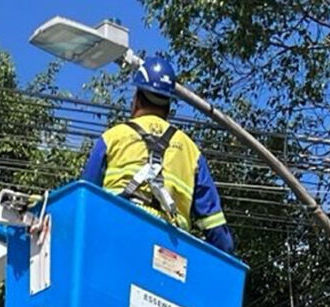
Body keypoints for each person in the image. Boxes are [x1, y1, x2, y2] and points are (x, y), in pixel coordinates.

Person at [80, 56, 234, 254]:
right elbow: (217, 231)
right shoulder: (191, 151)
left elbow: (84, 200)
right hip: (170, 251)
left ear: (136, 100)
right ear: (168, 107)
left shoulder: (112, 137)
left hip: (116, 239)